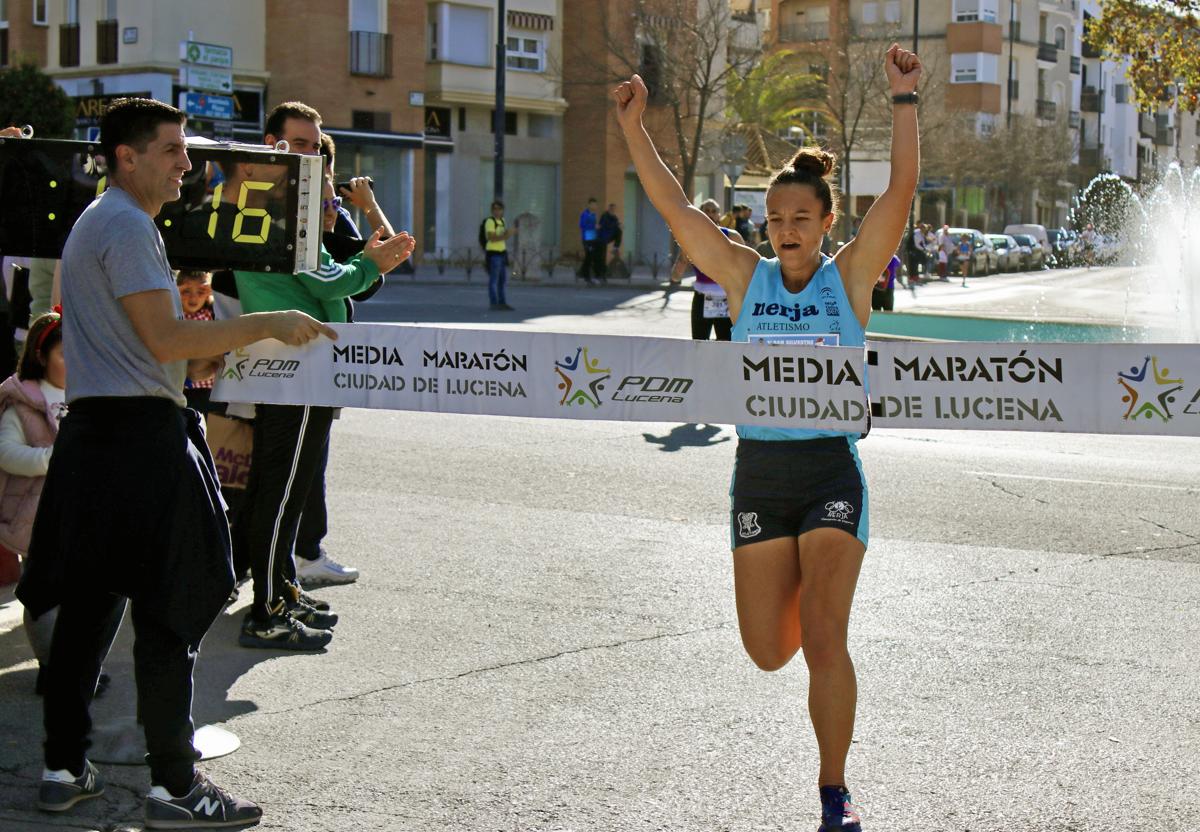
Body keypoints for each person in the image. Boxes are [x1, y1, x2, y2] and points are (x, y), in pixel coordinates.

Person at [612, 41, 922, 832]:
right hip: (758, 476)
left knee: (823, 637)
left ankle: (834, 792)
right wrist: (632, 129)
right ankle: (810, 628)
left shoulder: (847, 279)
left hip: (828, 472)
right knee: (767, 650)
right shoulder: (745, 278)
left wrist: (904, 101)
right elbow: (678, 209)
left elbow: (902, 192)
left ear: (825, 223)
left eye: (801, 218)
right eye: (775, 217)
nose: (786, 228)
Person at [12, 99, 339, 827]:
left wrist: (194, 349)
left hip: (98, 436)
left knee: (91, 613)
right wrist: (265, 324)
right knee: (170, 614)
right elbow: (162, 341)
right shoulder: (126, 225)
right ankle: (174, 787)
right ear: (126, 157)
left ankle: (64, 769)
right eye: (171, 150)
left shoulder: (102, 221)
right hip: (138, 444)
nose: (186, 163)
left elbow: (138, 345)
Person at [231, 101, 415, 651]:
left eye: (316, 144)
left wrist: (366, 266)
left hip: (312, 367)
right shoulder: (277, 203)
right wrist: (369, 265)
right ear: (272, 145)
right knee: (279, 492)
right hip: (293, 367)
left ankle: (282, 588)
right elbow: (331, 283)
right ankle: (265, 610)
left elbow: (342, 283)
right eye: (298, 143)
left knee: (291, 492)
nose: (310, 153)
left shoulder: (301, 203)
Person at [0, 310, 119, 698]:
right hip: (38, 517)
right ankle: (52, 666)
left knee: (90, 594)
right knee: (43, 595)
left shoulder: (93, 396)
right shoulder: (23, 401)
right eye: (68, 353)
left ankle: (82, 665)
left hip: (89, 514)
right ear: (41, 354)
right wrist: (55, 457)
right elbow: (7, 454)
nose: (78, 362)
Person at [668, 199, 745, 341]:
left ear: (719, 215)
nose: (710, 214)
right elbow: (676, 275)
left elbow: (746, 267)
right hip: (702, 297)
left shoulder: (733, 237)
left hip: (727, 298)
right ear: (700, 214)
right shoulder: (690, 239)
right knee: (699, 342)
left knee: (727, 343)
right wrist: (678, 269)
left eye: (713, 211)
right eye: (706, 211)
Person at [176, 270, 215, 413]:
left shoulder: (212, 313)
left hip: (206, 389)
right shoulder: (173, 315)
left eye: (201, 291)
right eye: (186, 291)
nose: (193, 297)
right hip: (181, 387)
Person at [483, 200, 516, 311]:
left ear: (502, 211)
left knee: (502, 280)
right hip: (493, 254)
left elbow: (503, 236)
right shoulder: (490, 221)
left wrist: (508, 233)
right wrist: (507, 234)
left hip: (502, 253)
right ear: (492, 211)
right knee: (494, 280)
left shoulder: (502, 221)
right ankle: (494, 303)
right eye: (495, 209)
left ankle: (502, 302)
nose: (497, 211)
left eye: (499, 209)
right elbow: (491, 238)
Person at [578, 198, 604, 284]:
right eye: (592, 204)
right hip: (587, 239)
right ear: (589, 205)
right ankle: (586, 276)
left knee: (594, 257)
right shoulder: (585, 214)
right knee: (589, 257)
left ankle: (591, 276)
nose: (594, 206)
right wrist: (593, 226)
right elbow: (582, 226)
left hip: (594, 238)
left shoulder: (594, 215)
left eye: (595, 204)